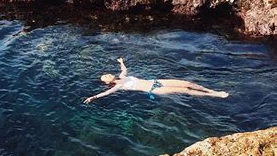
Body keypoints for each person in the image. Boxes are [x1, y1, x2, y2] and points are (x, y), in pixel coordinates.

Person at [84, 58, 229, 103]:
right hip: (155, 89)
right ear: (107, 82)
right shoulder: (117, 87)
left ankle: (211, 90)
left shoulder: (122, 77)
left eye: (107, 74)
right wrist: (93, 97)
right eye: (105, 77)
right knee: (185, 91)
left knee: (187, 83)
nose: (107, 75)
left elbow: (124, 70)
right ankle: (215, 95)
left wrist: (121, 62)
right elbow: (106, 94)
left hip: (156, 81)